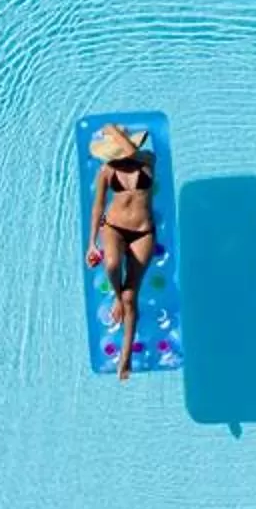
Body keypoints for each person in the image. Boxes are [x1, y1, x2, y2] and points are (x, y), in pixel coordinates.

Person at [86, 123, 156, 380]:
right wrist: (91, 242)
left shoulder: (147, 159)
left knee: (131, 296)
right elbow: (98, 207)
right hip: (113, 226)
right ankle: (116, 296)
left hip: (143, 231)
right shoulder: (106, 170)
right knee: (112, 266)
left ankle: (125, 357)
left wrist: (115, 133)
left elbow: (129, 151)